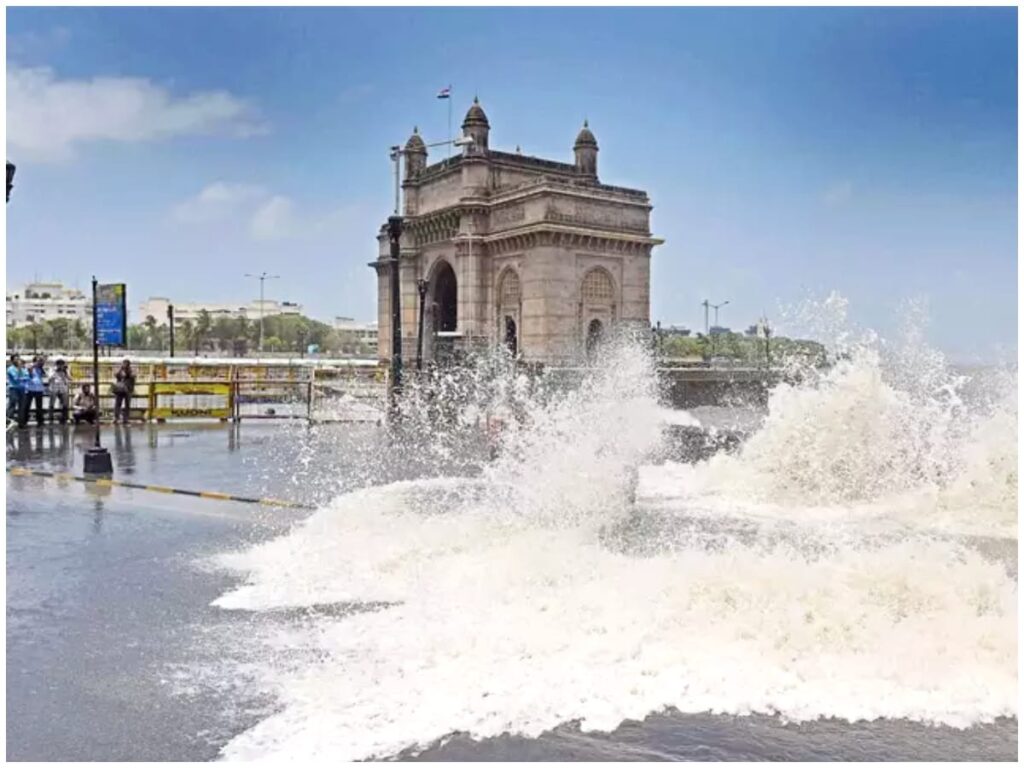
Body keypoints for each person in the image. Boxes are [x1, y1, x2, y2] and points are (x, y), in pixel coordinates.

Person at [22, 356, 47, 427]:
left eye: (41, 361)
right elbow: (26, 371)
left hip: (39, 389)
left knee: (39, 406)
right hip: (30, 389)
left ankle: (40, 421)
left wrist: (41, 365)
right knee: (27, 406)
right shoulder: (29, 366)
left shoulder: (40, 368)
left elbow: (45, 375)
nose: (40, 362)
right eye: (39, 361)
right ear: (35, 361)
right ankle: (24, 421)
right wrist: (34, 365)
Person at [48, 359, 72, 425]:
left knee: (64, 404)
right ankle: (51, 418)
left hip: (63, 388)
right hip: (54, 388)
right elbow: (49, 378)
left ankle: (64, 418)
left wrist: (66, 372)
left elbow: (70, 378)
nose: (60, 365)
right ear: (56, 364)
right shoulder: (52, 369)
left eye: (62, 364)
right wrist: (55, 371)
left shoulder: (66, 370)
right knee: (51, 404)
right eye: (59, 364)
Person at [112, 359, 136, 424]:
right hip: (120, 389)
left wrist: (127, 373)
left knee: (127, 405)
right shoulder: (120, 370)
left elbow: (133, 376)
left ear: (128, 365)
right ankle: (116, 418)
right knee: (117, 404)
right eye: (123, 363)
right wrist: (120, 370)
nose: (124, 365)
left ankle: (126, 419)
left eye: (126, 364)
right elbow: (116, 375)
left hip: (128, 389)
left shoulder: (131, 370)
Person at [6, 354, 25, 426]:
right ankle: (8, 421)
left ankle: (21, 422)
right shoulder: (10, 369)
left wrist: (21, 371)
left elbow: (26, 377)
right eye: (16, 359)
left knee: (22, 406)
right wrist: (20, 370)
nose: (17, 360)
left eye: (18, 359)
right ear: (12, 360)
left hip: (22, 389)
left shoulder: (21, 368)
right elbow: (16, 378)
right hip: (13, 389)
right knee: (12, 405)